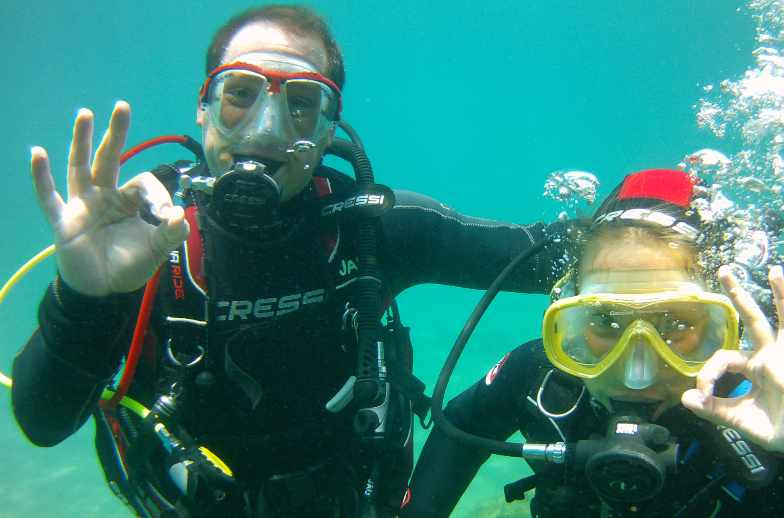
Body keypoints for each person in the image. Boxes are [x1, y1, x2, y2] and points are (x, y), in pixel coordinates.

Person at [10, 5, 567, 517]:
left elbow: (547, 253)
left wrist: (648, 220)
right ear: (204, 108)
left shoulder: (371, 229)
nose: (267, 129)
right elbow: (43, 422)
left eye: (301, 103)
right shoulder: (145, 236)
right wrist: (85, 296)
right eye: (241, 94)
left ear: (329, 128)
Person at [403, 169, 784, 517]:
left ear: (723, 326)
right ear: (566, 311)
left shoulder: (756, 410)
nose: (636, 371)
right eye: (602, 321)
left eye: (676, 324)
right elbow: (461, 426)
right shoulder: (542, 380)